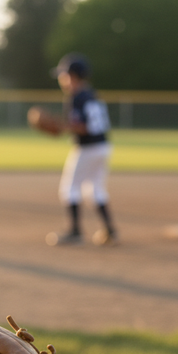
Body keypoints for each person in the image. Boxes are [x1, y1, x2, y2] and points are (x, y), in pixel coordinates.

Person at [46, 54, 118, 246]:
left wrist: (61, 126)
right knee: (95, 189)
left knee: (70, 188)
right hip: (103, 146)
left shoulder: (76, 97)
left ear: (73, 76)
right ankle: (110, 231)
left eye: (63, 75)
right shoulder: (91, 94)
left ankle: (75, 232)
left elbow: (83, 127)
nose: (61, 80)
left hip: (87, 148)